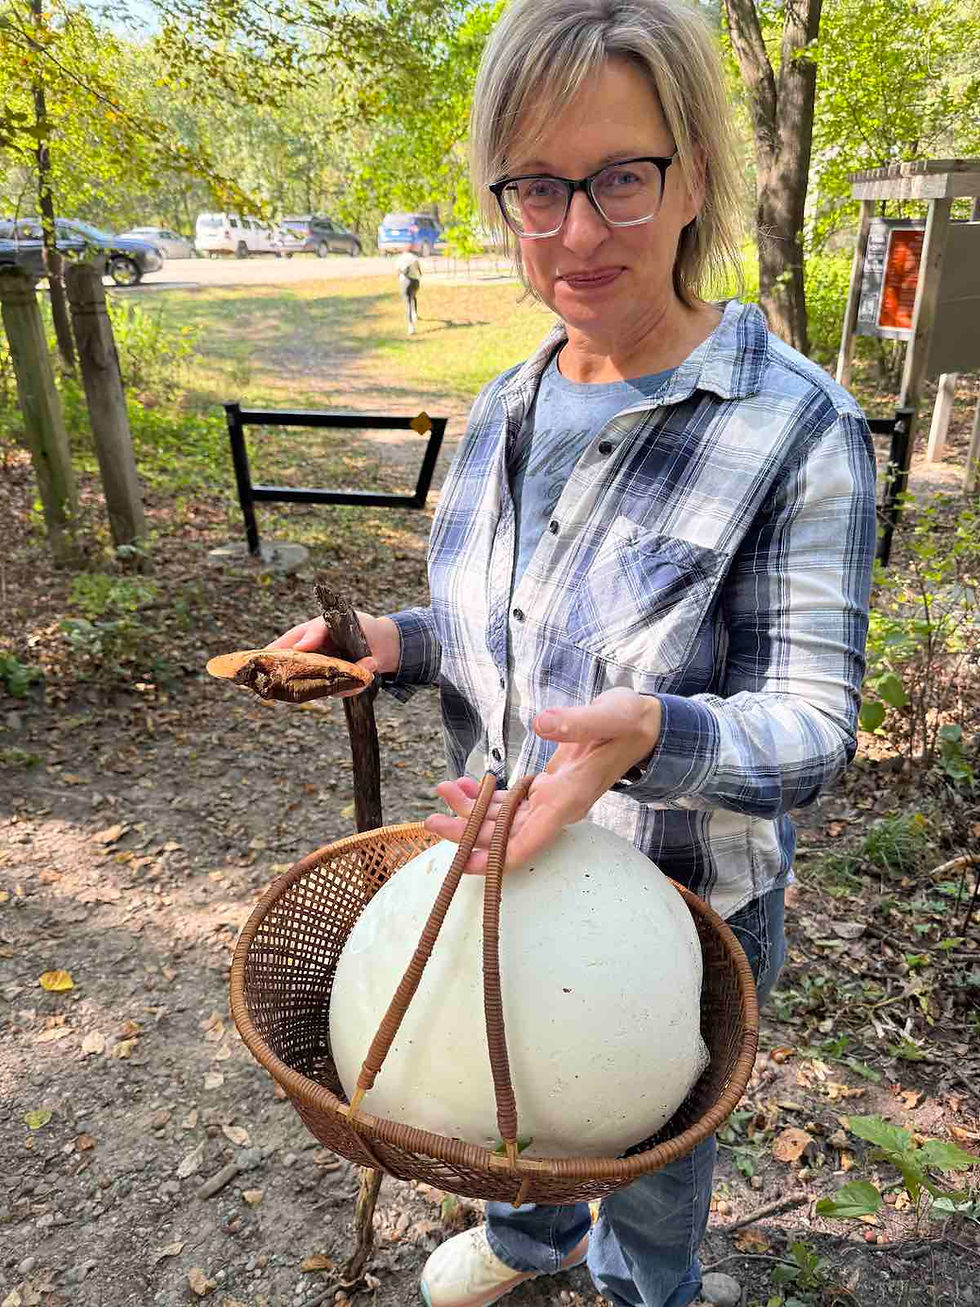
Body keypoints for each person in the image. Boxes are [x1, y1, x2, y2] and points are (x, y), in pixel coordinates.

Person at [272, 1, 877, 1302]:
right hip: (489, 874)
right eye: (540, 187)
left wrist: (656, 734)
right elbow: (502, 637)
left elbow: (816, 724)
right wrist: (381, 642)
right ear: (502, 199)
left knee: (645, 1149)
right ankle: (534, 1237)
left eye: (621, 176)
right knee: (513, 1100)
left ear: (695, 174)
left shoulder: (793, 428)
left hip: (677, 904)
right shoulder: (505, 408)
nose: (582, 230)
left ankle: (648, 1281)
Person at [396, 247, 422, 334]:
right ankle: (415, 314)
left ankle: (411, 326)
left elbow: (398, 271)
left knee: (407, 303)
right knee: (413, 297)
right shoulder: (413, 257)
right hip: (415, 281)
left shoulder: (400, 259)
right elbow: (418, 267)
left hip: (405, 281)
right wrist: (419, 273)